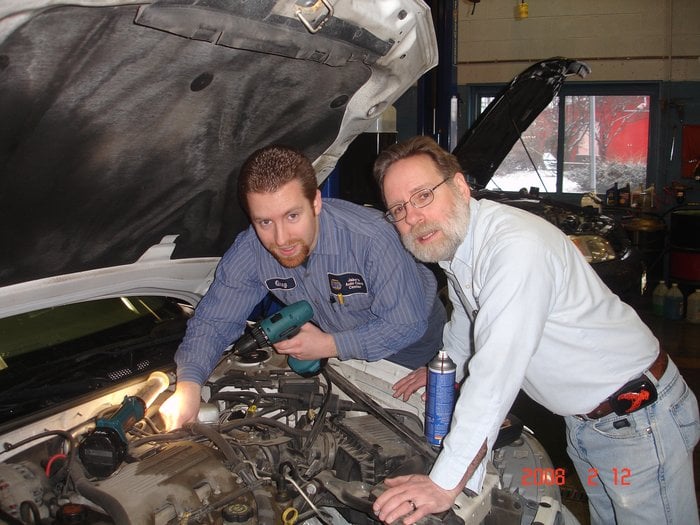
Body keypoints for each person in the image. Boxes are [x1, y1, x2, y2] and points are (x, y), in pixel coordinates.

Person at [370, 135, 700, 525]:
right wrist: (446, 368)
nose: (412, 217)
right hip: (592, 425)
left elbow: (495, 375)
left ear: (459, 186)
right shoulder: (460, 246)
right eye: (398, 209)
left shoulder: (515, 249)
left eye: (423, 196)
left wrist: (444, 483)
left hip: (639, 423)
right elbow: (466, 316)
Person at [159, 144, 446, 430]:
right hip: (341, 346)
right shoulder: (251, 251)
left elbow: (406, 324)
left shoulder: (372, 239)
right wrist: (189, 384)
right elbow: (214, 321)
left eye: (292, 216)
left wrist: (328, 345)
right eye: (265, 222)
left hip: (412, 355)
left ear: (316, 203)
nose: (281, 238)